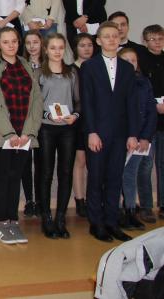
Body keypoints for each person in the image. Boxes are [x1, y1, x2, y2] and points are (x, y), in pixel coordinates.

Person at [0, 27, 43, 245]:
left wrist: (28, 131)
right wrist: (8, 132)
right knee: (0, 179)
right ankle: (0, 222)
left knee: (15, 178)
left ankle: (12, 221)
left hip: (24, 135)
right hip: (1, 135)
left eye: (14, 41)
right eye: (5, 42)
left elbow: (36, 101)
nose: (10, 45)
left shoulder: (27, 66)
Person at [81, 21, 139, 242]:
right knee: (96, 178)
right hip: (97, 132)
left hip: (120, 133)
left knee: (115, 178)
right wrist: (91, 131)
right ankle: (96, 223)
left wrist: (132, 134)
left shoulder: (127, 68)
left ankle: (112, 222)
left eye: (115, 36)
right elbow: (87, 102)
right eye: (107, 36)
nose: (112, 40)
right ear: (98, 40)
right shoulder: (89, 67)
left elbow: (131, 103)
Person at [36, 33, 80, 239]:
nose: (57, 51)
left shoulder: (72, 72)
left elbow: (78, 100)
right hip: (46, 128)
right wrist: (47, 115)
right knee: (45, 173)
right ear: (46, 50)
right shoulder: (39, 73)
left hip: (67, 128)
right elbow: (34, 103)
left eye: (60, 47)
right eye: (52, 47)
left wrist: (75, 116)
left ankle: (60, 218)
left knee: (66, 172)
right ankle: (46, 218)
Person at [117, 47, 155, 231]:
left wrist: (145, 137)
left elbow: (150, 111)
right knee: (116, 175)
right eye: (126, 60)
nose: (130, 63)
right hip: (119, 138)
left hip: (140, 139)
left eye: (133, 60)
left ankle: (130, 210)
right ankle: (116, 211)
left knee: (130, 174)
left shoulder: (144, 82)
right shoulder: (114, 83)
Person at [137, 24, 164, 222]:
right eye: (153, 39)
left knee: (163, 164)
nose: (157, 42)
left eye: (160, 38)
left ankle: (163, 205)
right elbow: (140, 90)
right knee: (145, 165)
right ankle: (146, 206)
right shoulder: (141, 61)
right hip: (148, 121)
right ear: (145, 41)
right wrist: (154, 105)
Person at [21, 29, 45, 218]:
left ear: (41, 44)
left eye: (35, 42)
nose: (32, 46)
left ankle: (41, 200)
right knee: (25, 163)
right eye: (28, 43)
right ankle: (29, 200)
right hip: (25, 120)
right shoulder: (20, 65)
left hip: (46, 121)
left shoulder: (49, 65)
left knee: (42, 163)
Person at [72, 32, 94, 218]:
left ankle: (94, 198)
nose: (86, 49)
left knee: (95, 163)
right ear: (75, 48)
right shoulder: (71, 69)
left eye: (89, 45)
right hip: (78, 121)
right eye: (82, 45)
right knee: (80, 161)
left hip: (96, 121)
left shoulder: (97, 67)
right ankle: (80, 200)